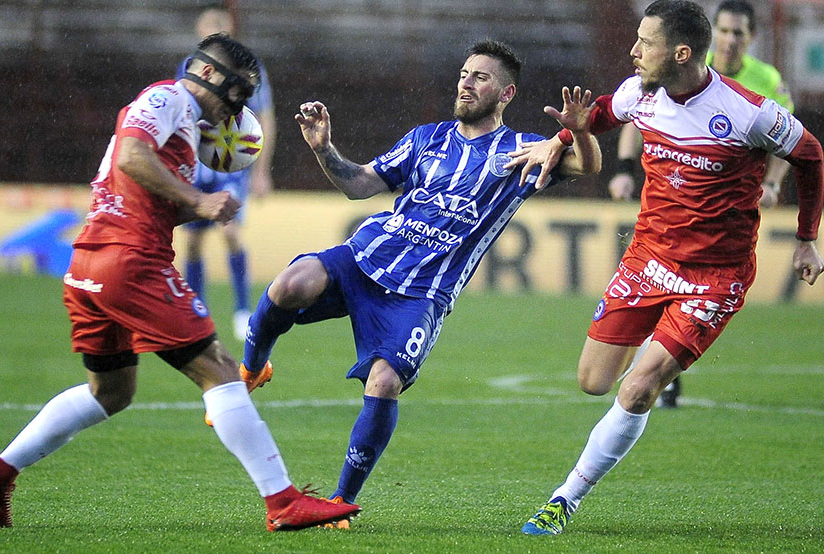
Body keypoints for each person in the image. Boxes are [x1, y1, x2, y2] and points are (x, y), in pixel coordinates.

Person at [0, 33, 360, 532]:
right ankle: (282, 501)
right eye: (237, 97)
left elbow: (143, 191)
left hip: (91, 263)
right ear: (210, 75)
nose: (236, 113)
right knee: (219, 370)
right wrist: (198, 201)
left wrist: (197, 206)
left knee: (111, 392)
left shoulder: (187, 130)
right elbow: (131, 157)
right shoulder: (167, 97)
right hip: (130, 261)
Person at [234, 40, 602, 526]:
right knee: (289, 283)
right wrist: (324, 149)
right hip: (369, 256)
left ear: (506, 93)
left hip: (422, 293)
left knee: (384, 383)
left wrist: (579, 133)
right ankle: (251, 370)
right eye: (465, 73)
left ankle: (340, 504)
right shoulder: (428, 137)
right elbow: (360, 184)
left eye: (481, 77)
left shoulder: (523, 151)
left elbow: (587, 165)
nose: (467, 83)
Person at [520, 0, 823, 536]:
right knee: (593, 382)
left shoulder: (750, 111)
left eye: (645, 42)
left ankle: (563, 499)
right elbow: (600, 116)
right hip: (648, 261)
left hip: (714, 278)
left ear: (681, 53)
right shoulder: (642, 92)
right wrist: (563, 135)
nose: (633, 51)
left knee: (637, 390)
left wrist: (805, 239)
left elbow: (812, 155)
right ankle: (662, 347)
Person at [609, 0, 797, 407]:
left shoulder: (765, 81)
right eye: (724, 31)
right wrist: (624, 167)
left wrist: (772, 185)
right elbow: (636, 111)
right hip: (670, 197)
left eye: (738, 34)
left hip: (726, 206)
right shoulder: (681, 65)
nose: (729, 41)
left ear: (751, 39)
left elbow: (790, 147)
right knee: (659, 272)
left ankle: (659, 367)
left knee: (698, 277)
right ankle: (652, 366)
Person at [175, 4, 277, 341]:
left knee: (230, 231)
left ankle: (242, 310)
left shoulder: (250, 70)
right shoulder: (188, 68)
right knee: (191, 241)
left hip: (229, 162)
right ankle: (196, 308)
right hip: (198, 162)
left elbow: (265, 119)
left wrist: (261, 172)